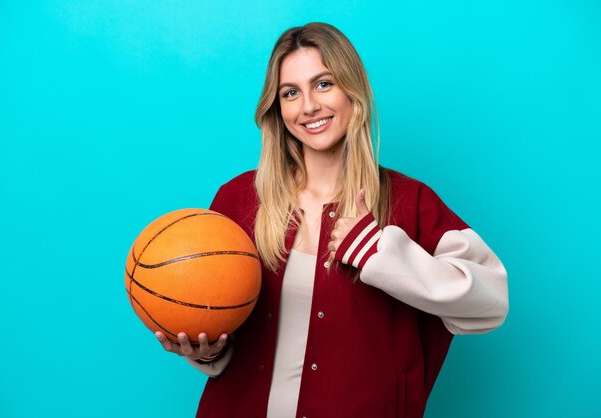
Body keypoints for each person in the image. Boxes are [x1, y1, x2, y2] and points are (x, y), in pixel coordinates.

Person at [155, 22, 509, 418]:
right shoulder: (236, 200)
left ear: (352, 91)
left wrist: (381, 254)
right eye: (291, 93)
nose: (309, 106)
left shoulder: (410, 202)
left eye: (323, 84)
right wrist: (211, 351)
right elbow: (226, 324)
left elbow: (491, 303)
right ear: (277, 108)